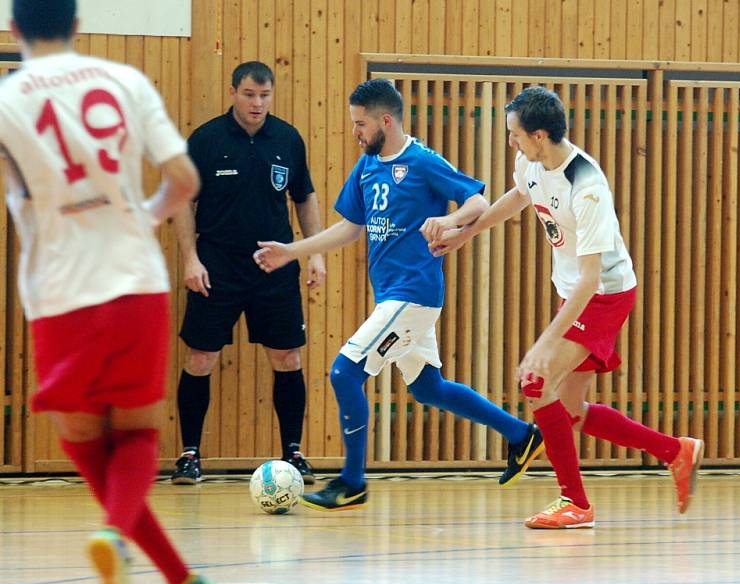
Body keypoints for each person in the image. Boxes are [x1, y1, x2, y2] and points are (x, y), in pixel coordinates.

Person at [0, 1, 218, 584]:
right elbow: (185, 181)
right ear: (76, 24)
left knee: (84, 442)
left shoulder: (7, 100)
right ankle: (160, 565)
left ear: (14, 28)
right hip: (134, 279)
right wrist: (145, 218)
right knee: (139, 436)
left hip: (59, 289)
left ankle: (144, 554)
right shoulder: (125, 81)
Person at [253, 78, 544, 511]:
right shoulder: (367, 166)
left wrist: (447, 223)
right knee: (429, 388)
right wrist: (292, 252)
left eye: (360, 124)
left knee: (345, 373)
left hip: (413, 294)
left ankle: (352, 482)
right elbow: (351, 227)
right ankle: (522, 435)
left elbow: (477, 203)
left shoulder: (422, 161)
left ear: (385, 121)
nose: (355, 132)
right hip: (392, 295)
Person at [430, 86, 704, 529]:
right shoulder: (532, 162)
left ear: (539, 135)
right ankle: (675, 451)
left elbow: (592, 279)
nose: (511, 143)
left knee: (536, 381)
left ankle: (575, 502)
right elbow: (518, 196)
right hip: (574, 290)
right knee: (570, 411)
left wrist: (544, 343)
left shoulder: (587, 187)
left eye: (515, 135)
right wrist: (465, 233)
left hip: (603, 294)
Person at [171, 60, 325, 485]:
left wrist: (313, 254)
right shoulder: (206, 139)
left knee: (288, 357)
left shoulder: (288, 139)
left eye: (265, 95)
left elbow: (305, 197)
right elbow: (183, 202)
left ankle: (293, 453)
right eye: (249, 94)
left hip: (273, 266)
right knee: (201, 357)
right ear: (233, 92)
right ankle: (189, 455)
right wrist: (190, 258)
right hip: (216, 266)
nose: (257, 103)